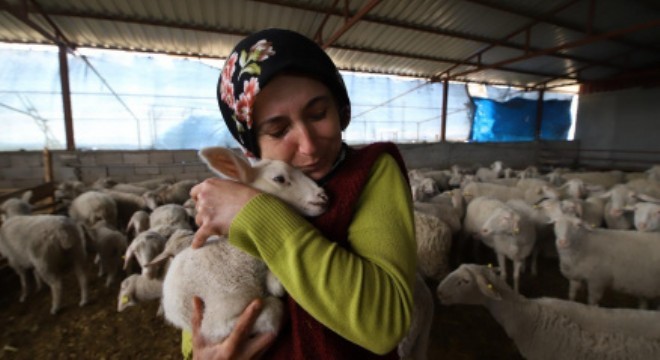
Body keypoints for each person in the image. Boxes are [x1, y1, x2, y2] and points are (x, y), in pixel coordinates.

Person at [187, 28, 417, 359]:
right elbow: (200, 309)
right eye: (279, 131)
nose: (308, 146)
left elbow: (385, 325)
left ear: (340, 108)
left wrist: (255, 213)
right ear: (252, 146)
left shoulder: (371, 173)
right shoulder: (232, 196)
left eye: (318, 114)